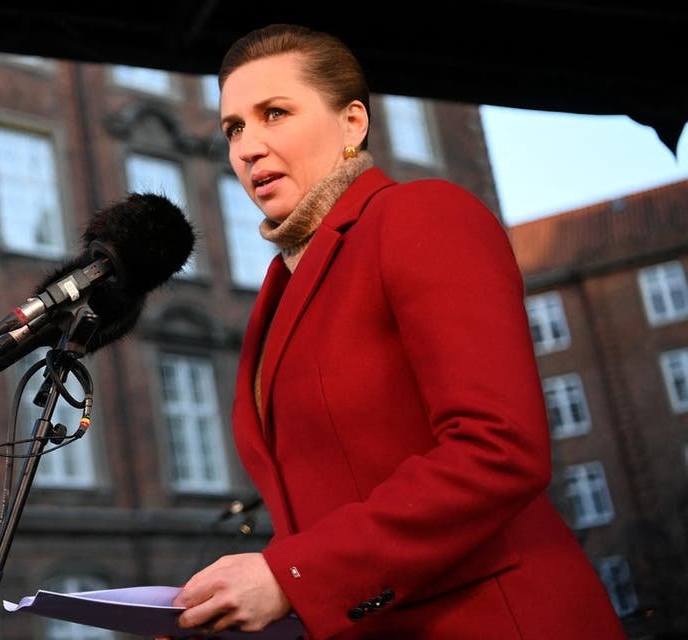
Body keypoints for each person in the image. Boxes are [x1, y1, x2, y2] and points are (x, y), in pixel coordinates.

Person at [167, 24, 627, 640]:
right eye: (233, 129)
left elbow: (499, 448)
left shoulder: (420, 215)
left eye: (275, 113)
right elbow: (328, 505)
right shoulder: (277, 291)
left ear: (352, 123)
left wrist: (293, 576)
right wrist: (231, 601)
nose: (248, 147)